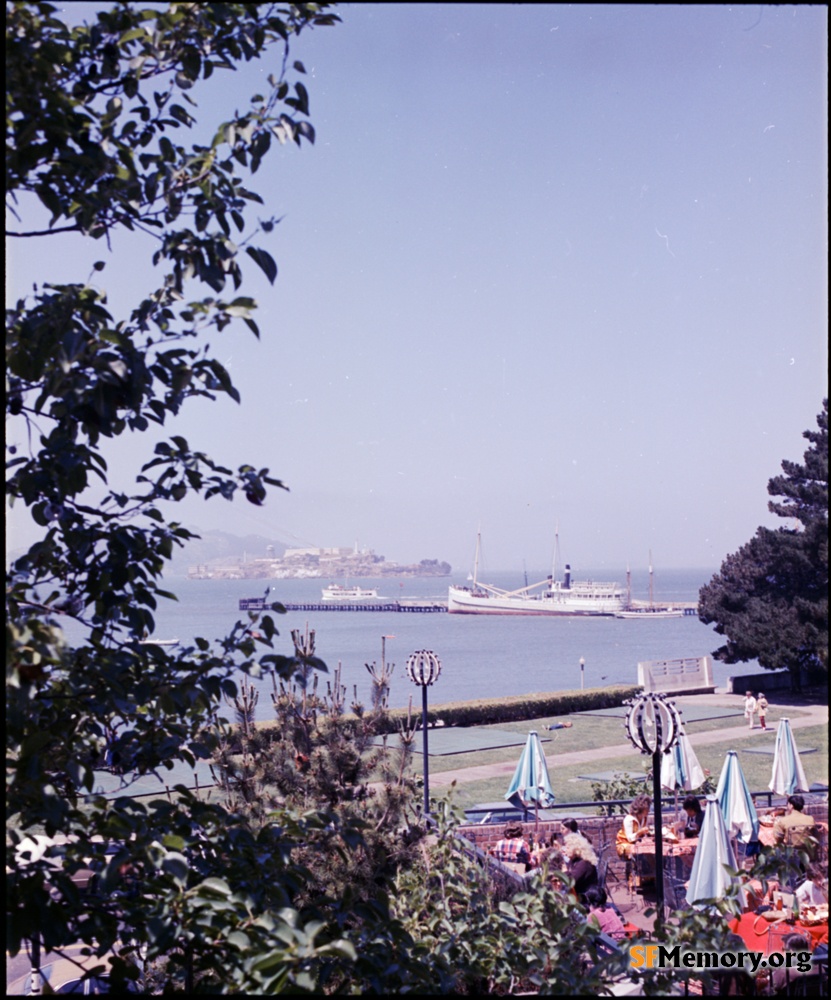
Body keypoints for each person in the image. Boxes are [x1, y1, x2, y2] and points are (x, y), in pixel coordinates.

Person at [562, 832, 599, 901]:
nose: (565, 850)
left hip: (586, 900)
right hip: (576, 895)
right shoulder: (574, 860)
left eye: (567, 848)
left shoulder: (584, 864)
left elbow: (571, 881)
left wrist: (565, 871)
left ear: (575, 848)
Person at [615, 793, 652, 858]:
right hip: (624, 844)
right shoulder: (629, 819)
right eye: (647, 808)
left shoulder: (644, 818)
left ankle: (653, 867)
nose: (648, 810)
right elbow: (630, 838)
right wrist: (640, 832)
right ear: (641, 808)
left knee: (651, 850)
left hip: (637, 843)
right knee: (642, 853)